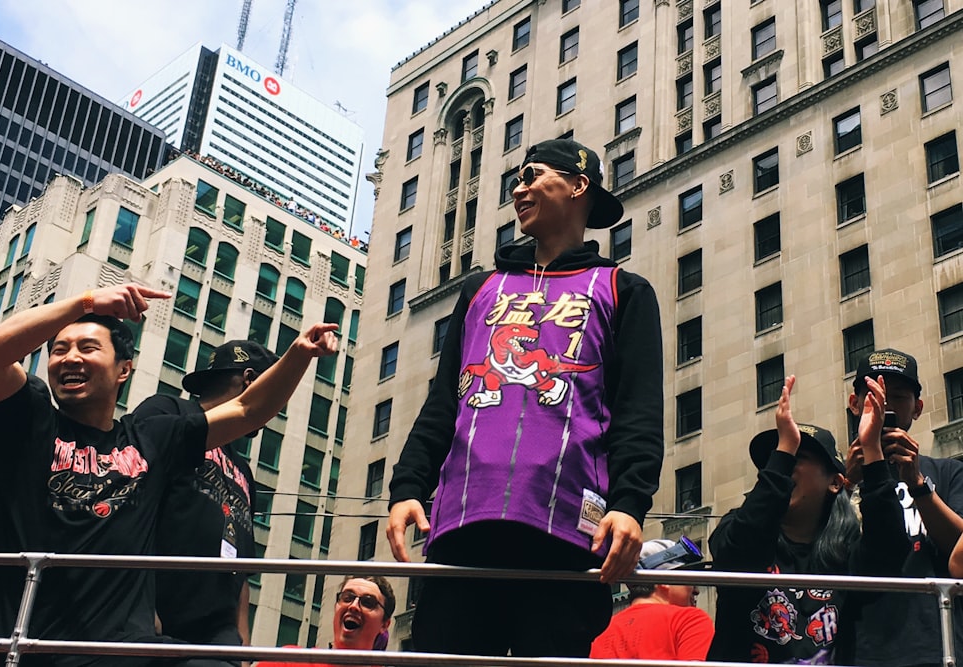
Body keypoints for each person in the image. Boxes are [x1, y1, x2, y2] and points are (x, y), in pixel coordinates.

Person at [386, 138, 664, 658]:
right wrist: (406, 489)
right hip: (462, 530)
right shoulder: (480, 289)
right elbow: (444, 403)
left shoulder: (623, 290)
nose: (520, 187)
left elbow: (639, 415)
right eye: (517, 178)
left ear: (580, 186)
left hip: (567, 536)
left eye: (534, 175)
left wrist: (630, 505)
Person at [0, 283, 338, 667]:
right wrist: (85, 302)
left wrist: (300, 354)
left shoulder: (153, 440)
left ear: (123, 369)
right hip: (20, 643)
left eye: (88, 348)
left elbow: (247, 411)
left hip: (114, 652)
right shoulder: (30, 421)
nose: (70, 358)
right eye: (59, 350)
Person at [706, 375, 907, 664]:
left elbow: (889, 552)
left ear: (836, 483)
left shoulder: (847, 552)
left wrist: (873, 451)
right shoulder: (735, 530)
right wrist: (783, 450)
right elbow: (739, 553)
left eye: (796, 457)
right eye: (776, 462)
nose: (782, 469)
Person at [131, 341, 280, 661]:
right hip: (154, 612)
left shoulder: (243, 470)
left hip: (215, 632)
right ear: (250, 380)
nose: (276, 408)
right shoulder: (166, 411)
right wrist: (143, 604)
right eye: (276, 392)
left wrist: (241, 640)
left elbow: (242, 566)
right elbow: (128, 509)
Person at [844, 349, 963, 667]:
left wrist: (917, 483)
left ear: (917, 408)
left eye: (896, 397)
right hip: (859, 648)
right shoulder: (833, 477)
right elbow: (818, 553)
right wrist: (846, 483)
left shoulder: (947, 472)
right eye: (874, 396)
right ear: (855, 404)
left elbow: (959, 552)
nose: (885, 406)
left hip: (937, 644)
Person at [589, 539, 713, 661]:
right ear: (666, 580)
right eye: (690, 579)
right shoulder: (689, 620)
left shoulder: (600, 629)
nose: (696, 590)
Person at [255, 575, 395, 667]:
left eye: (368, 602)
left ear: (384, 624)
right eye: (347, 597)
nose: (353, 606)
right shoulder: (288, 660)